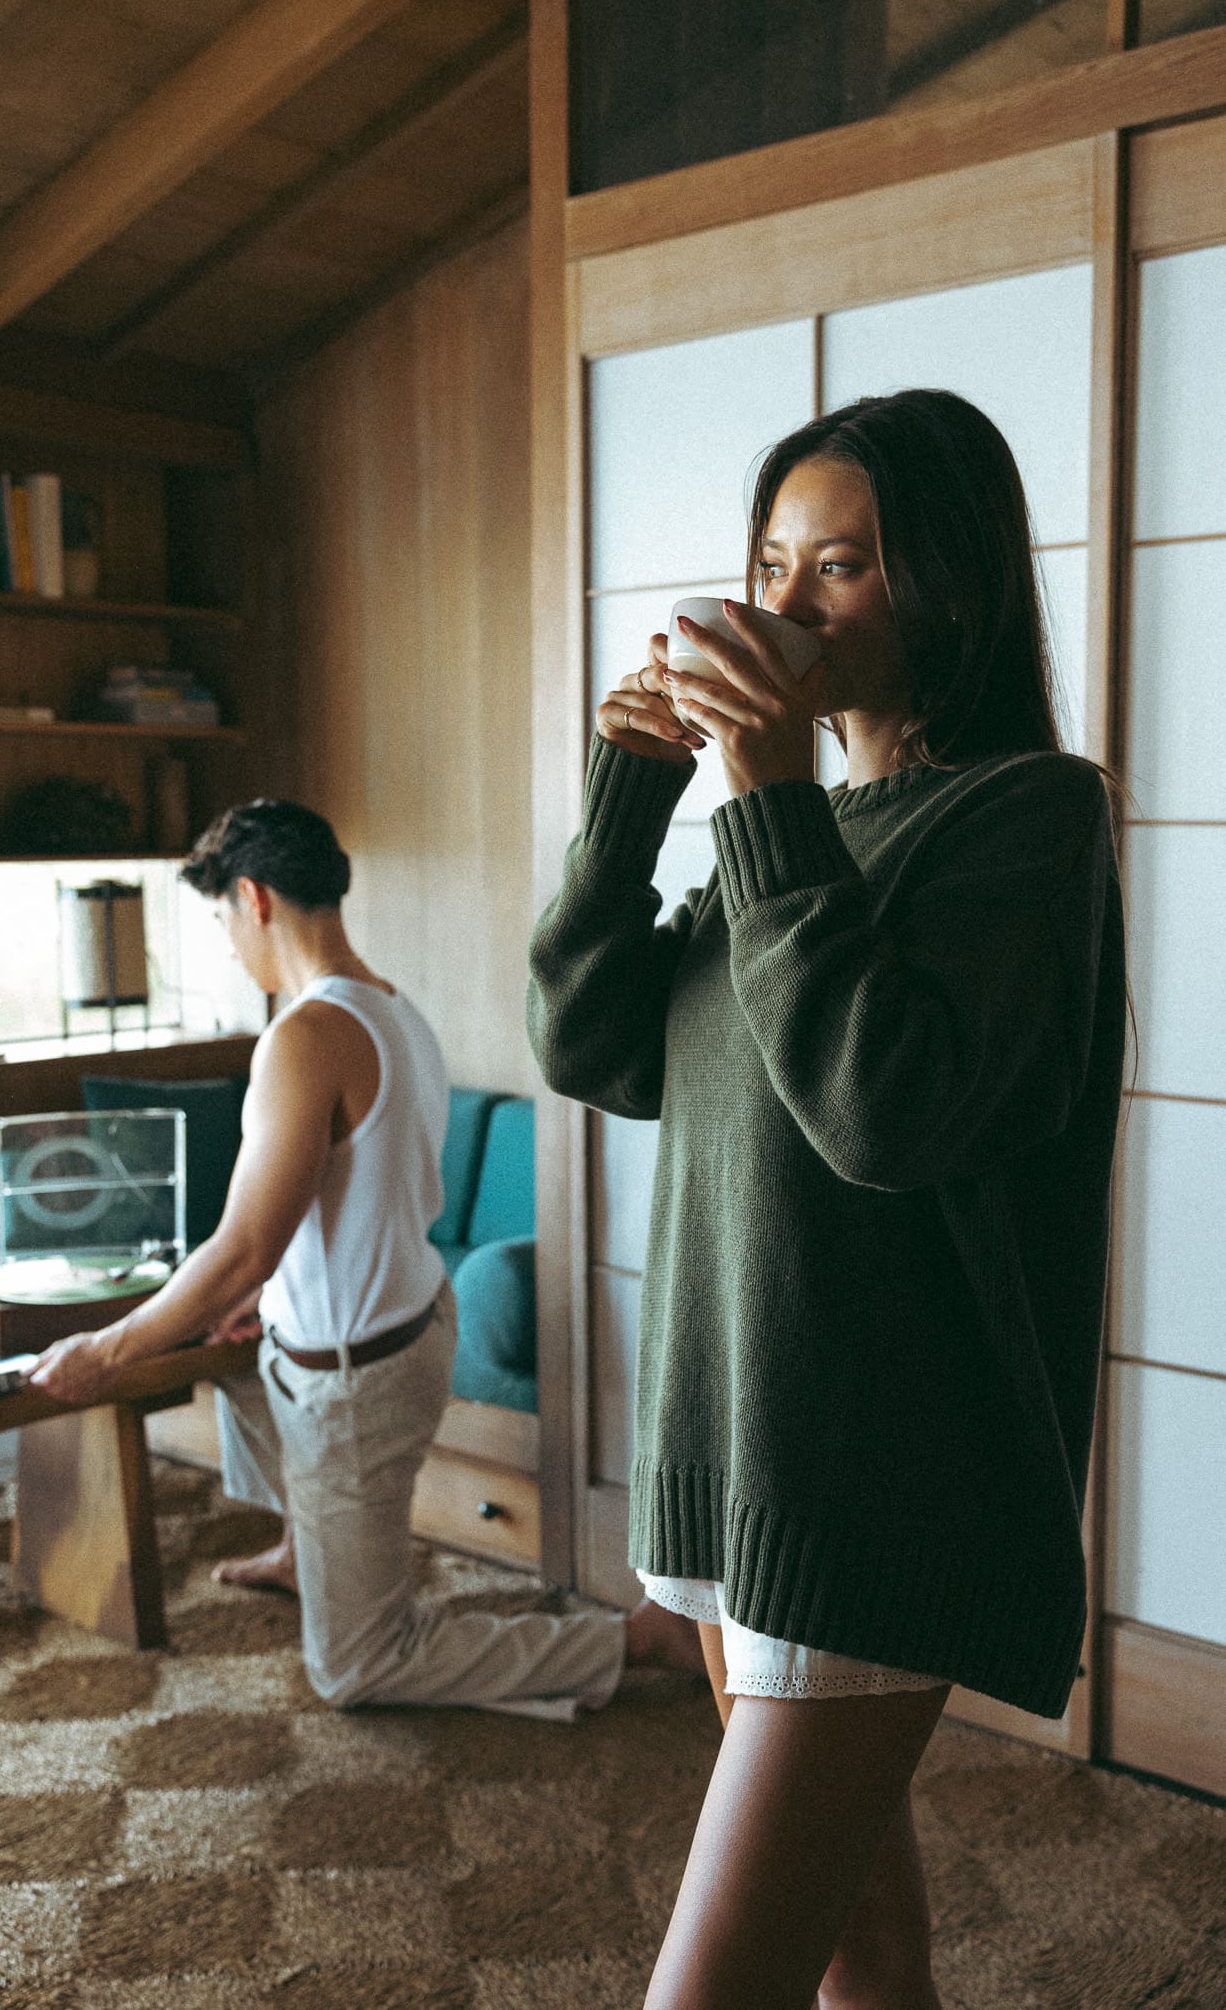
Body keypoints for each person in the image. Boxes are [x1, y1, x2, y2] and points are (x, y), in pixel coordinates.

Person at [527, 389, 1126, 2008]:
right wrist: (635, 785)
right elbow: (594, 1041)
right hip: (734, 1445)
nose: (785, 607)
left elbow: (886, 1106)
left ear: (947, 586)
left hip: (872, 1466)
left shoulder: (1027, 815)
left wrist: (769, 794)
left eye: (841, 567)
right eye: (773, 563)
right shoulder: (776, 831)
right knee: (862, 1941)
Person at [32, 798, 700, 1715]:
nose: (228, 944)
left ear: (255, 898)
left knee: (356, 1667)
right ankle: (308, 1552)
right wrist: (258, 1301)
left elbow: (243, 1248)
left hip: (361, 1373)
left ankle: (632, 1638)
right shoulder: (390, 1008)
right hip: (403, 1318)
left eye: (223, 918)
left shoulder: (304, 1035)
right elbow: (334, 1212)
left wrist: (108, 1350)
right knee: (239, 1358)